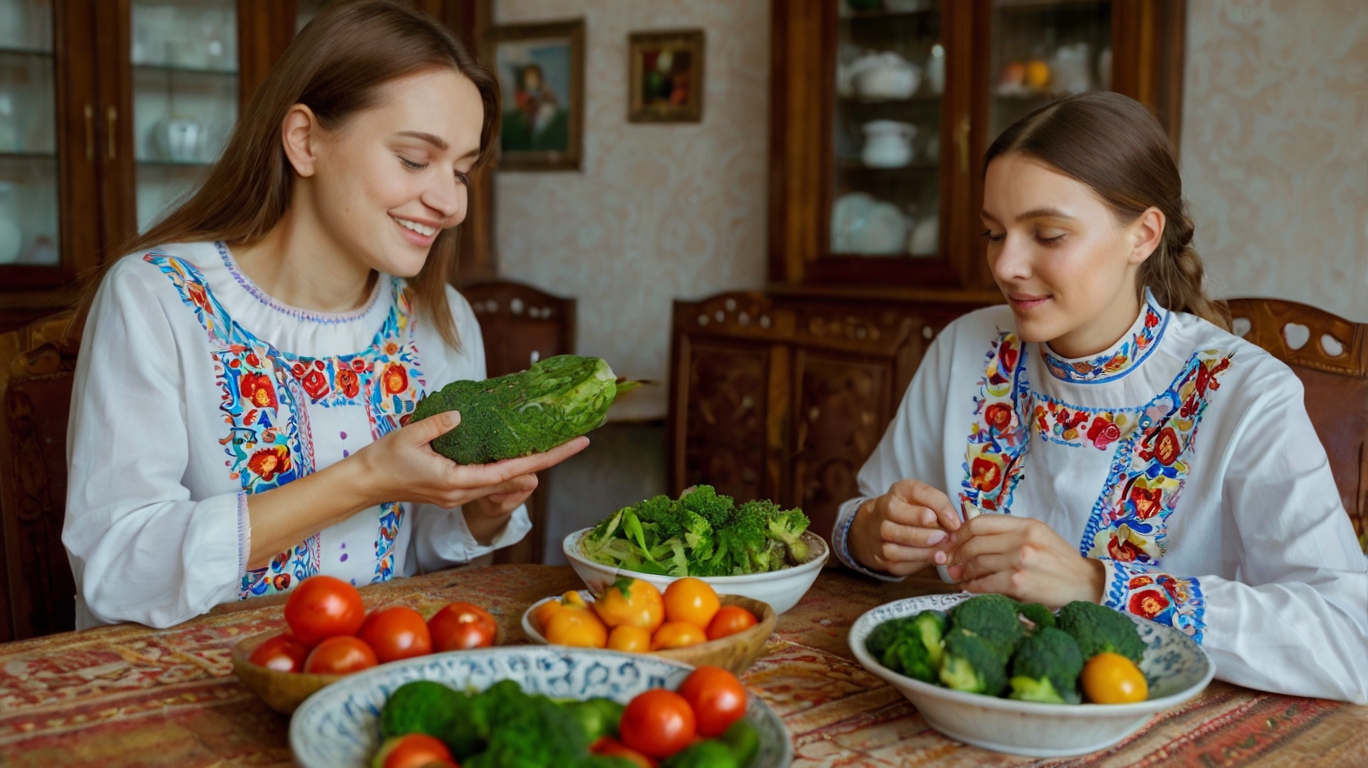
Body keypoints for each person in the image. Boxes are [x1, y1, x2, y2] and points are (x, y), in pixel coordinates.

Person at [63, 1, 587, 629]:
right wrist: (365, 477)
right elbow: (118, 566)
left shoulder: (438, 317)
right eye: (416, 160)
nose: (450, 203)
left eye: (463, 172)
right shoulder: (158, 298)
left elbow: (412, 556)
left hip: (373, 667)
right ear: (305, 140)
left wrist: (480, 507)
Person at [833, 91, 1368, 704]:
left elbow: (1350, 638)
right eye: (993, 232)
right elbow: (865, 511)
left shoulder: (1249, 394)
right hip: (961, 705)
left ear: (1142, 234)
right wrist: (872, 533)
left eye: (1048, 234)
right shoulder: (967, 348)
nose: (1006, 264)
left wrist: (1097, 584)